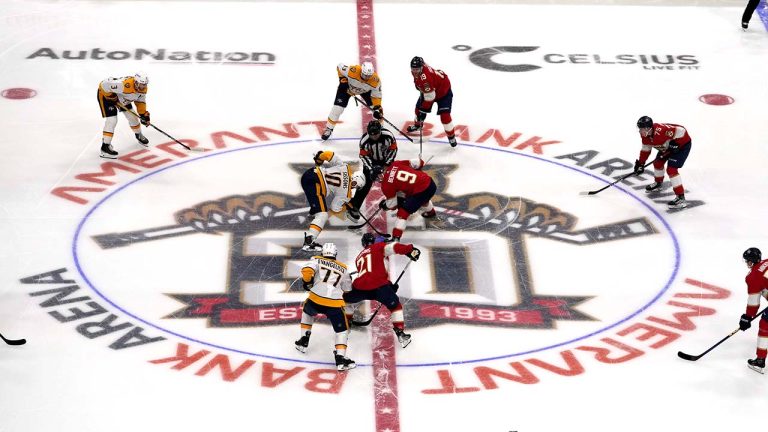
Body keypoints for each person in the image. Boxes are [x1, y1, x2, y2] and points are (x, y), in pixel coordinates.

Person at [344, 233, 420, 348]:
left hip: (360, 287)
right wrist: (409, 249)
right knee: (396, 307)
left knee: (346, 300)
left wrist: (388, 285)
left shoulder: (359, 256)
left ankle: (346, 324)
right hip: (379, 287)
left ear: (363, 244)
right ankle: (400, 332)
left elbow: (369, 274)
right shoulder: (379, 247)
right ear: (373, 241)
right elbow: (393, 247)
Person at [294, 242, 356, 371]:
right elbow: (348, 290)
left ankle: (304, 340)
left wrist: (308, 282)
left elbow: (306, 271)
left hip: (315, 300)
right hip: (334, 305)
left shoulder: (316, 259)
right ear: (335, 254)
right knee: (342, 331)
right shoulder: (344, 268)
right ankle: (340, 358)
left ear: (323, 253)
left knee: (307, 312)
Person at [300, 150, 366, 251]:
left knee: (318, 201)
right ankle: (309, 241)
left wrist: (319, 159)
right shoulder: (346, 194)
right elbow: (335, 208)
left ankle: (313, 211)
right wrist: (346, 204)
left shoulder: (345, 167)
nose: (356, 188)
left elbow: (328, 154)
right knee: (322, 214)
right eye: (358, 187)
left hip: (309, 173)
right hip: (315, 184)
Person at [632, 116, 693, 209]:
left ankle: (681, 197)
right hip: (667, 146)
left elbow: (682, 130)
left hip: (682, 146)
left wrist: (676, 144)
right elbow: (646, 150)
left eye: (642, 129)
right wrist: (641, 163)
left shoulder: (661, 131)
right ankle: (658, 184)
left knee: (671, 170)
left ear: (648, 128)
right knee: (658, 163)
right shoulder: (645, 136)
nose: (640, 131)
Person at [347, 120, 398, 219]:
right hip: (372, 162)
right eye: (371, 134)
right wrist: (371, 169)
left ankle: (400, 204)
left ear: (380, 131)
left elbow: (393, 150)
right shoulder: (364, 140)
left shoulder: (388, 136)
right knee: (365, 185)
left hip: (386, 161)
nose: (374, 136)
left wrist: (387, 164)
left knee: (395, 182)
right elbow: (363, 156)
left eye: (376, 134)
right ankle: (353, 207)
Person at [378, 157, 437, 241]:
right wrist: (418, 170)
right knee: (422, 199)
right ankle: (431, 213)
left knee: (403, 213)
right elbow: (420, 162)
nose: (378, 179)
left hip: (421, 191)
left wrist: (385, 206)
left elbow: (393, 205)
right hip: (430, 183)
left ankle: (395, 239)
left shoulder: (386, 185)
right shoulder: (396, 164)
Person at [321, 62, 383, 141]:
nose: (366, 78)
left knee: (378, 111)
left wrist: (377, 108)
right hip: (346, 89)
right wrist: (343, 81)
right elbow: (339, 67)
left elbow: (377, 96)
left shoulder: (375, 80)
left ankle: (381, 128)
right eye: (364, 75)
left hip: (364, 91)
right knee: (337, 109)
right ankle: (329, 129)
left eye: (369, 76)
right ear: (361, 71)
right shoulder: (353, 70)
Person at [406, 56, 457, 147]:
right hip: (431, 89)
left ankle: (451, 136)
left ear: (421, 67)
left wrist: (424, 111)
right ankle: (418, 125)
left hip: (443, 92)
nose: (414, 71)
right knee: (418, 109)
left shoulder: (425, 79)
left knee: (445, 117)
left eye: (417, 69)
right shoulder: (420, 69)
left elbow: (430, 97)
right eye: (413, 69)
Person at [97, 72, 151, 159]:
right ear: (136, 82)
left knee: (133, 118)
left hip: (122, 98)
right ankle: (105, 147)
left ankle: (138, 135)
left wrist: (143, 114)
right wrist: (111, 97)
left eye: (145, 84)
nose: (143, 87)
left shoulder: (143, 89)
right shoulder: (124, 85)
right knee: (112, 120)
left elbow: (140, 102)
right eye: (141, 84)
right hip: (106, 97)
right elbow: (103, 85)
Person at [739, 247, 768, 374]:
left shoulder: (753, 276)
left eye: (747, 261)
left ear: (751, 261)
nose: (747, 263)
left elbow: (753, 302)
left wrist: (747, 317)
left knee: (765, 325)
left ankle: (760, 361)